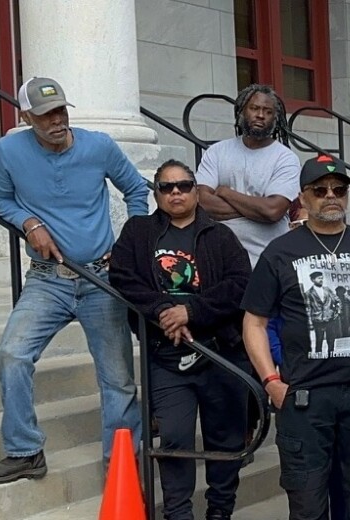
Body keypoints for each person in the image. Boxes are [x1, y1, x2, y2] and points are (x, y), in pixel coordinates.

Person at [0, 77, 146, 484]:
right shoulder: (7, 151)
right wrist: (29, 223)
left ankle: (122, 468)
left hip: (101, 278)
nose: (56, 120)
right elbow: (3, 200)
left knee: (118, 378)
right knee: (12, 354)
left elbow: (135, 190)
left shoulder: (99, 145)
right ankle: (25, 451)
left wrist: (129, 243)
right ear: (26, 117)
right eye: (45, 115)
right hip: (47, 279)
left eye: (60, 111)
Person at [241, 155, 350, 520]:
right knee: (308, 504)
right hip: (305, 396)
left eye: (339, 189)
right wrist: (270, 381)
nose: (331, 196)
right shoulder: (280, 252)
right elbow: (254, 322)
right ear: (303, 197)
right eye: (320, 190)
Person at [109, 159, 252, 520]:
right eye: (166, 187)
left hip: (219, 353)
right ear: (157, 193)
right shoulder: (138, 231)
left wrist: (191, 312)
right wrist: (163, 311)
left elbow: (240, 284)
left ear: (196, 191)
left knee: (226, 440)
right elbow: (122, 276)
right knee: (173, 438)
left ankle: (220, 511)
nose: (176, 192)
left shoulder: (220, 235)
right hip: (167, 355)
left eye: (184, 185)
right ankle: (178, 514)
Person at [196, 83, 300, 267]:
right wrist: (256, 209)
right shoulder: (217, 151)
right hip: (220, 259)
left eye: (268, 111)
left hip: (268, 261)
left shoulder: (285, 158)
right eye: (254, 108)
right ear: (242, 112)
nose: (260, 115)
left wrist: (226, 192)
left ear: (275, 118)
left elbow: (273, 211)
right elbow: (202, 202)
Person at [306, 271, 342, 357]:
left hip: (330, 318)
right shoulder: (309, 293)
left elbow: (337, 300)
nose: (321, 280)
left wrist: (337, 311)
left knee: (331, 340)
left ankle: (331, 357)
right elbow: (308, 308)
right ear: (313, 280)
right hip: (317, 320)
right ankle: (318, 359)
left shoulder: (327, 290)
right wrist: (310, 321)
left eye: (322, 278)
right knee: (319, 341)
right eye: (319, 278)